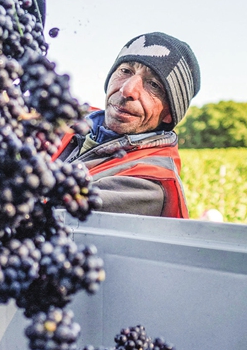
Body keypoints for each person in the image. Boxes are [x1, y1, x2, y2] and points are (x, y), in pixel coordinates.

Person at [51, 32, 200, 219]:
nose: (127, 90)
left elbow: (43, 215)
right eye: (126, 71)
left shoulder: (149, 186)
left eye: (153, 84)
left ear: (169, 114)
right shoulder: (68, 121)